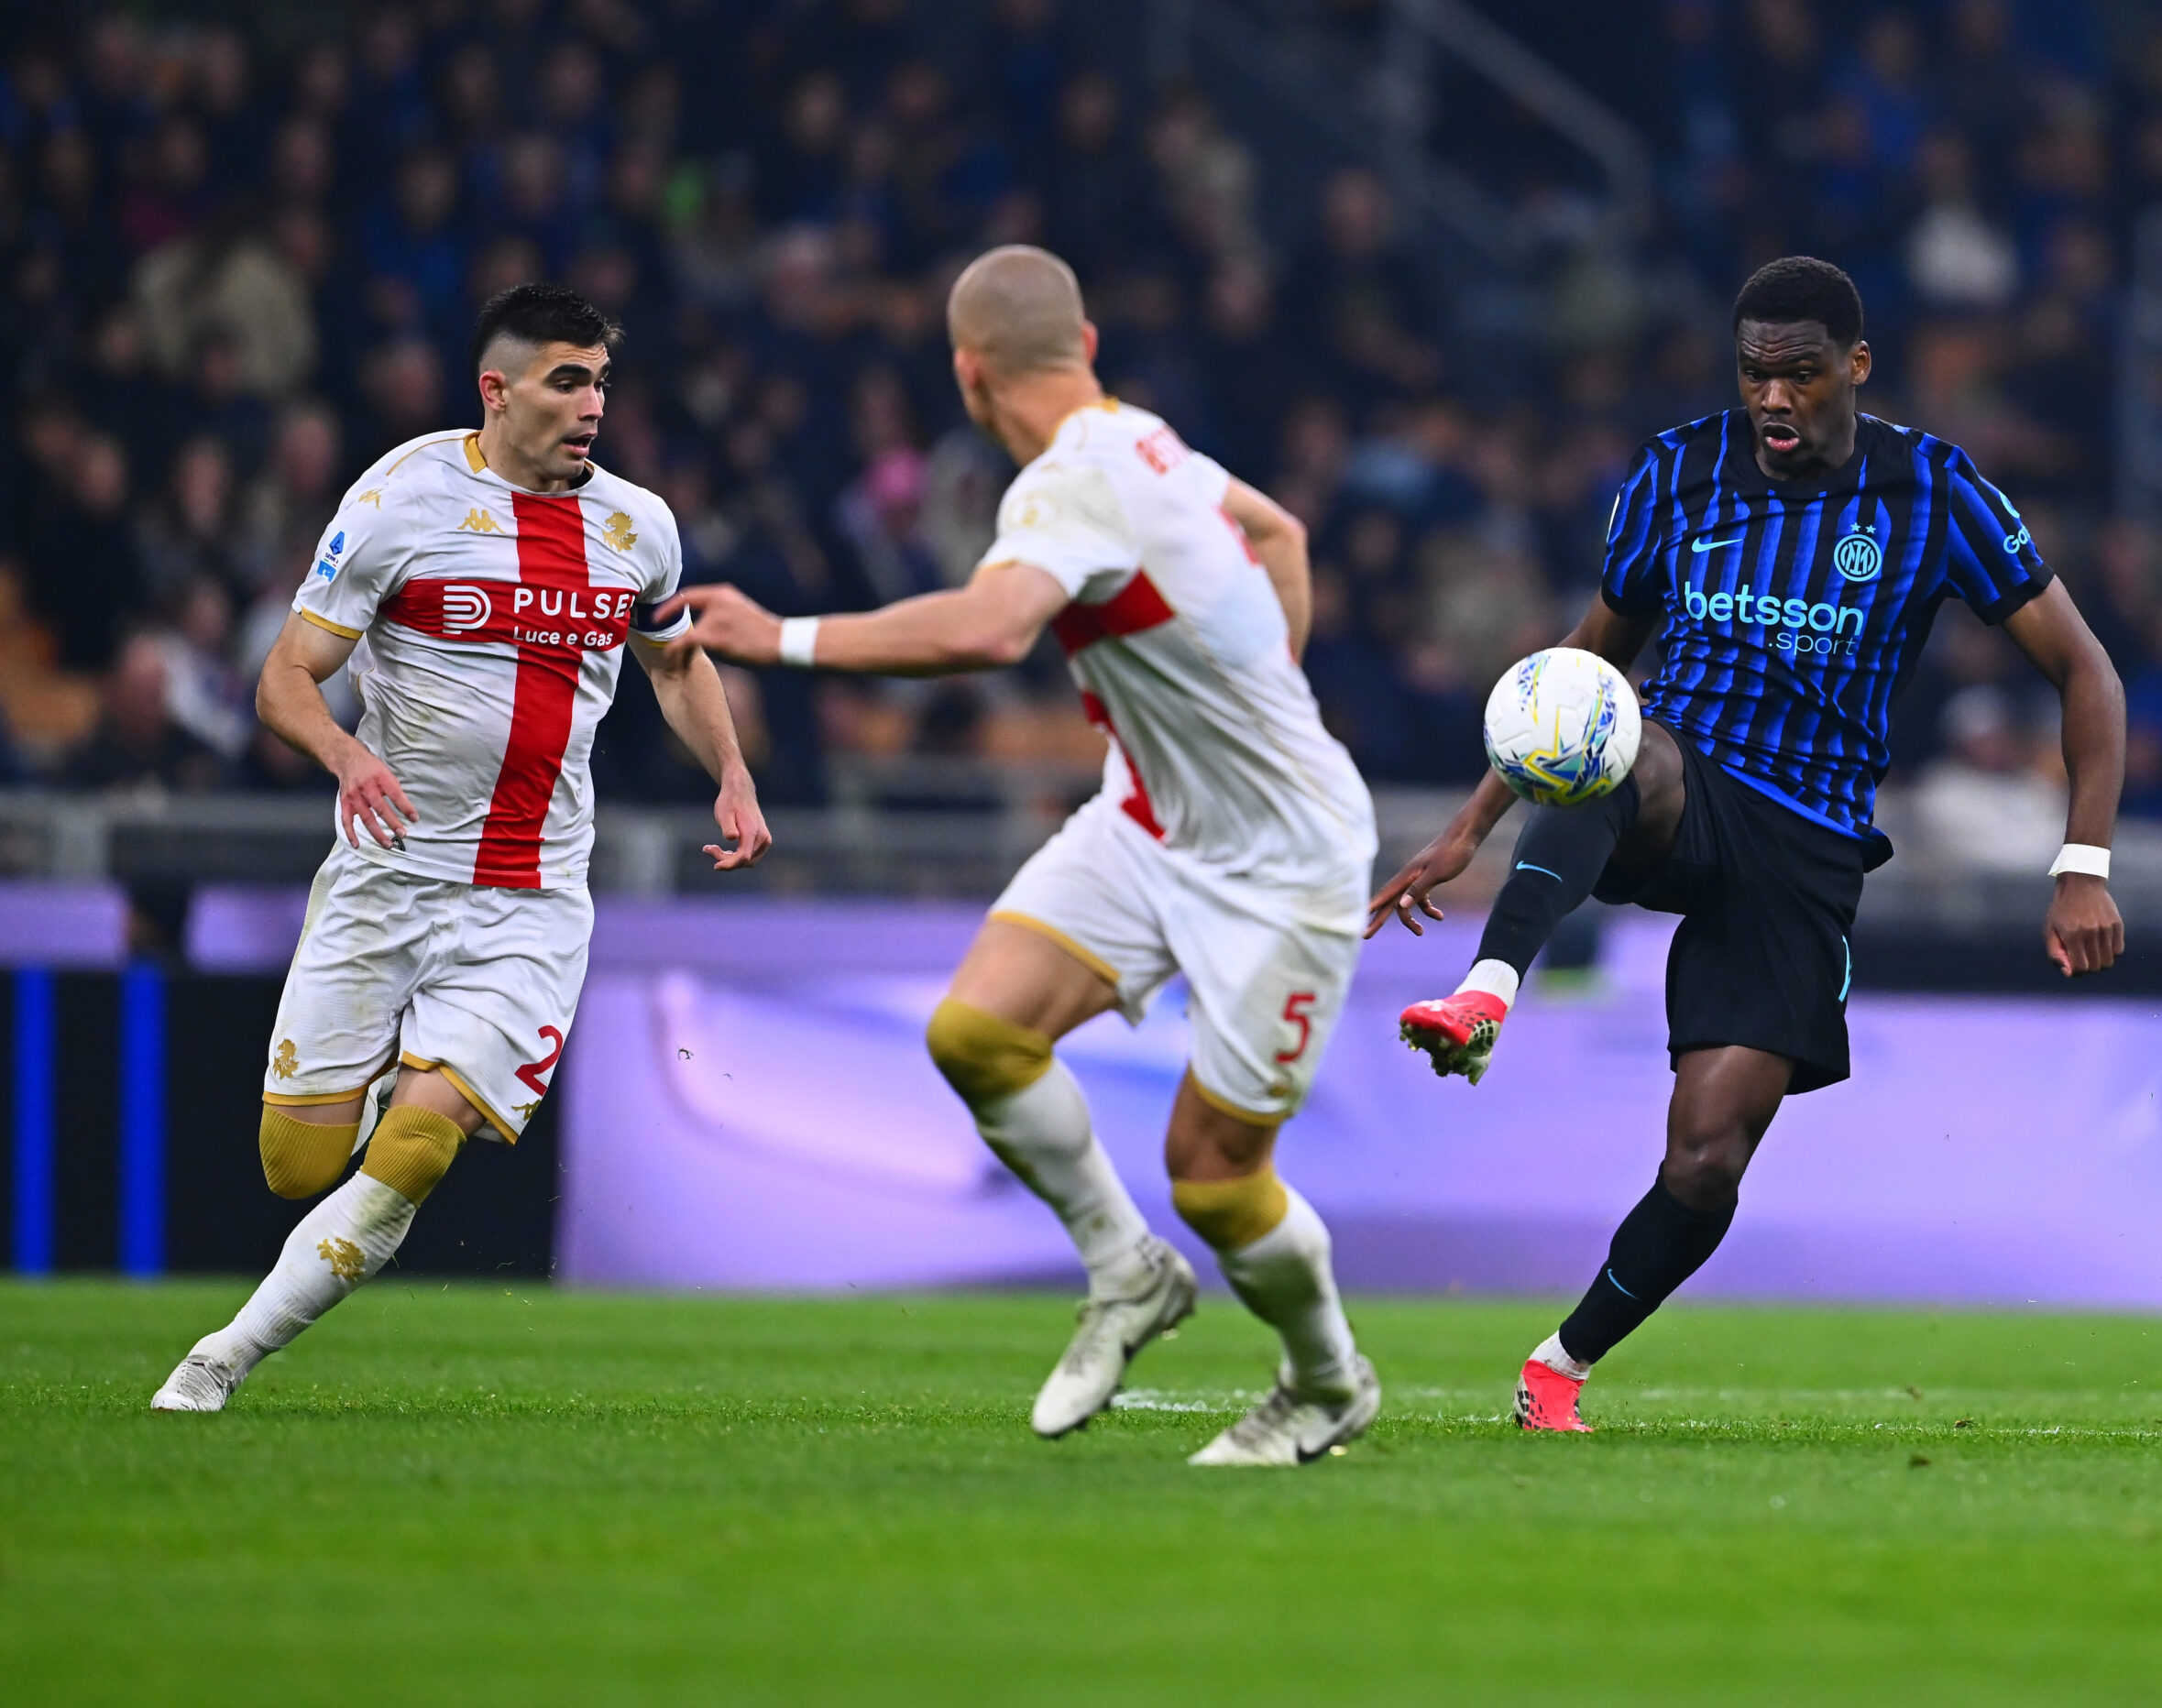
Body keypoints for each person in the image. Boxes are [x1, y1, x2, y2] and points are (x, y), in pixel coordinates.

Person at [1371, 257, 2126, 1434]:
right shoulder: (1677, 471)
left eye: (1801, 374)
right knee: (1624, 743)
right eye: (1753, 374)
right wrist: (1470, 825)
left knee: (1708, 1156)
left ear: (1854, 367)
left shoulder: (1931, 490)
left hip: (1808, 838)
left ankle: (1559, 1365)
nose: (1773, 398)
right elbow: (1583, 670)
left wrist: (2082, 865)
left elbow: (2086, 670)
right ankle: (1486, 991)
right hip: (1683, 781)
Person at [666, 246, 1380, 1467]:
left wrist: (779, 637)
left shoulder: (1070, 482)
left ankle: (1325, 1383)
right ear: (1085, 348)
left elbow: (994, 629)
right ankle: (1126, 1270)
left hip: (1284, 865)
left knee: (1214, 1178)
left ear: (967, 375)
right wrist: (1256, 696)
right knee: (978, 1033)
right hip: (1148, 819)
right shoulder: (1147, 440)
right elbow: (1283, 534)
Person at [152, 284, 771, 1411]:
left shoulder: (639, 526)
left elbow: (676, 662)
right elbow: (284, 678)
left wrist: (730, 770)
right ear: (498, 389)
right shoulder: (401, 497)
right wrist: (346, 755)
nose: (592, 405)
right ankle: (390, 1071)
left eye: (601, 382)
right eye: (566, 380)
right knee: (295, 1166)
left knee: (420, 1147)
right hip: (388, 874)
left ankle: (220, 1358)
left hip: (532, 898)